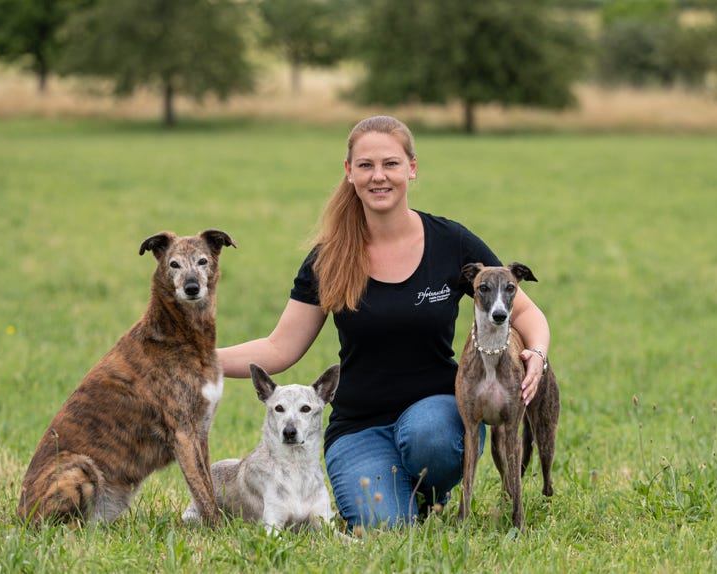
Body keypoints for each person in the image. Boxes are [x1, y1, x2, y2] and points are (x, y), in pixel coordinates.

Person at [217, 115, 550, 532]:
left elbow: (526, 312)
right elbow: (279, 348)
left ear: (412, 168)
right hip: (359, 428)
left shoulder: (451, 243)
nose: (379, 177)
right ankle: (403, 496)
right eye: (366, 166)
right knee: (384, 526)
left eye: (391, 164)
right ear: (349, 172)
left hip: (438, 414)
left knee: (432, 441)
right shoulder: (329, 257)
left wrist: (536, 353)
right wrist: (199, 359)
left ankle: (430, 490)